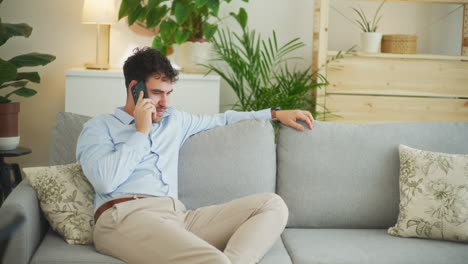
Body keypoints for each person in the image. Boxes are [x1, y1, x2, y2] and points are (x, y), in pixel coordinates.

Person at [76, 47, 314, 264]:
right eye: (157, 93)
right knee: (213, 261)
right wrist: (141, 131)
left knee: (272, 204)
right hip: (124, 218)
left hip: (178, 217)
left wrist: (274, 114)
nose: (164, 102)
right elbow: (105, 180)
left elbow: (223, 119)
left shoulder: (175, 120)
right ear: (134, 88)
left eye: (169, 93)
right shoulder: (100, 127)